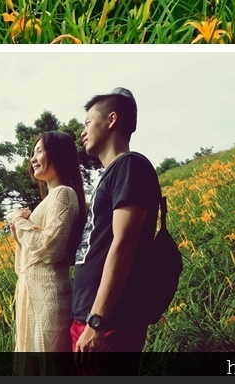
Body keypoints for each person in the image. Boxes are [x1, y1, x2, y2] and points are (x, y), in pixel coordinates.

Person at [71, 88, 160, 363]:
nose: (82, 131)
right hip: (90, 317)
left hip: (109, 322)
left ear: (111, 120)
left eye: (88, 122)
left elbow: (124, 245)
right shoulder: (111, 175)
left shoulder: (129, 167)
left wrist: (97, 320)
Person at [10, 131, 88, 373]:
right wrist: (19, 227)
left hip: (48, 298)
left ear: (60, 155)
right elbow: (23, 262)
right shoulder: (48, 200)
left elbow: (52, 247)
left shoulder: (63, 193)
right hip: (32, 296)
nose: (33, 158)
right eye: (32, 153)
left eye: (40, 151)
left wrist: (18, 222)